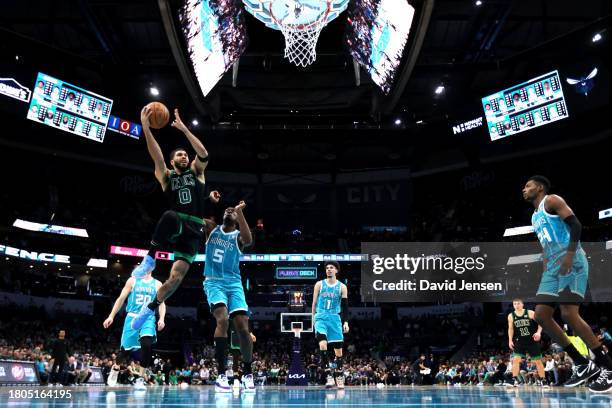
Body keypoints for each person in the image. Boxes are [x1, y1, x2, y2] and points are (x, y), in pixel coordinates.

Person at [130, 106, 220, 330]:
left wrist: (185, 130)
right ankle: (150, 257)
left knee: (175, 279)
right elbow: (157, 156)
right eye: (179, 154)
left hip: (194, 231)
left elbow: (204, 155)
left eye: (185, 155)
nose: (184, 156)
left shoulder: (196, 173)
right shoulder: (167, 177)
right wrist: (146, 128)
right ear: (172, 162)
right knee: (170, 215)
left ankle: (150, 308)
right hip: (176, 222)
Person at [523, 175, 612, 392]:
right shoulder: (534, 217)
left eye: (528, 186)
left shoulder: (551, 200)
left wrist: (570, 255)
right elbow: (545, 246)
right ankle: (582, 364)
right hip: (553, 267)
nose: (524, 189)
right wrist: (546, 271)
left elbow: (576, 225)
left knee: (568, 314)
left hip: (571, 259)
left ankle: (608, 368)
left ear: (540, 187)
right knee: (541, 315)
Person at [203, 201, 254, 392]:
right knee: (223, 320)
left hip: (234, 284)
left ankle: (248, 372)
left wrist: (240, 211)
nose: (230, 211)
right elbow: (191, 215)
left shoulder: (238, 236)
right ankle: (222, 374)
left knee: (242, 327)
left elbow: (248, 240)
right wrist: (205, 196)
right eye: (228, 209)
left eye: (233, 211)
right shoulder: (211, 228)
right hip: (214, 281)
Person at [103, 270, 166, 388]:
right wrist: (111, 316)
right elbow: (121, 298)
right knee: (125, 351)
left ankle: (140, 379)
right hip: (132, 317)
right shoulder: (132, 280)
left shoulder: (157, 284)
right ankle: (115, 369)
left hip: (148, 317)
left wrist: (161, 318)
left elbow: (162, 303)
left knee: (146, 344)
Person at [312, 261, 349, 389]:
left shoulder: (342, 287)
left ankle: (339, 376)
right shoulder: (319, 284)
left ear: (336, 270)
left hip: (335, 318)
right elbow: (314, 302)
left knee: (338, 352)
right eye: (327, 268)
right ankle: (329, 376)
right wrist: (313, 318)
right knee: (322, 344)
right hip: (320, 317)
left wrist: (346, 322)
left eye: (331, 268)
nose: (328, 270)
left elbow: (345, 307)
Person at [508, 299, 547, 387]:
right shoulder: (511, 316)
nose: (516, 305)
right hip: (519, 340)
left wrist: (538, 332)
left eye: (518, 303)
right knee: (516, 360)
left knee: (538, 361)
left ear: (522, 304)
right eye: (514, 304)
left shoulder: (530, 313)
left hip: (531, 340)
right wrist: (510, 340)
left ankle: (543, 380)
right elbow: (511, 329)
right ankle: (514, 380)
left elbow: (541, 322)